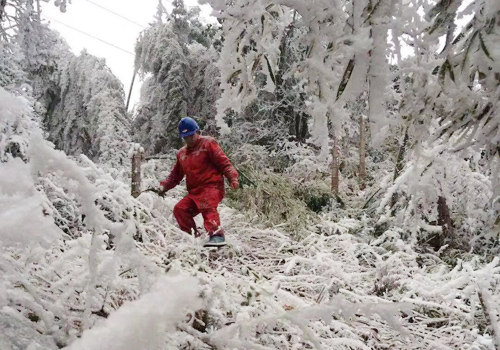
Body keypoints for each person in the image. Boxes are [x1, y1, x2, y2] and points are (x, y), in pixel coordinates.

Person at [158, 117, 239, 247]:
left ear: (197, 131)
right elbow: (175, 175)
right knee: (180, 209)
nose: (189, 140)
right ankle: (192, 236)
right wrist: (164, 186)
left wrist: (232, 177)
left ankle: (216, 235)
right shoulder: (182, 154)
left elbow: (224, 162)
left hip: (212, 187)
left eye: (191, 136)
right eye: (185, 137)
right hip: (194, 192)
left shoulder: (208, 144)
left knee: (207, 204)